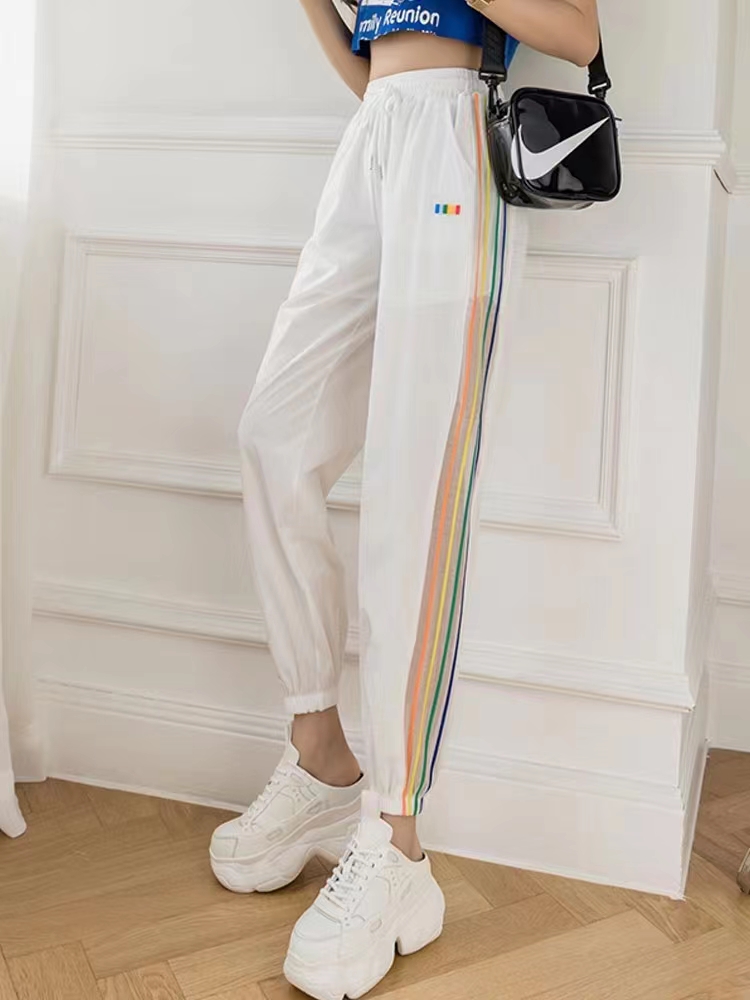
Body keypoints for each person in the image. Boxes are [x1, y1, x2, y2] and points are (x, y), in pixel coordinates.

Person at [210, 1, 600, 997]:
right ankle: (320, 753)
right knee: (273, 435)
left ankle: (398, 842)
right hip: (375, 136)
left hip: (457, 142)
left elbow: (579, 34)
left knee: (413, 495)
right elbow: (373, 70)